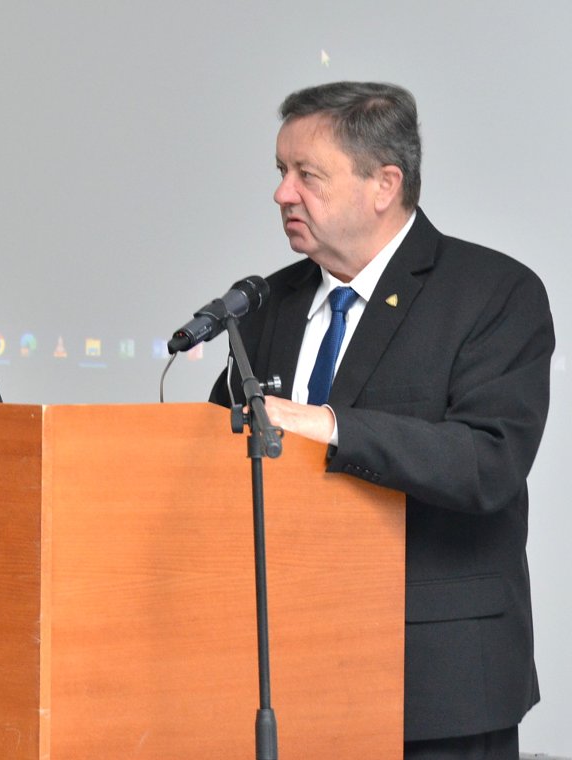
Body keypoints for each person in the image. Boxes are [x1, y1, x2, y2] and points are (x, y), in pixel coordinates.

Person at [210, 82, 552, 759]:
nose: (282, 193)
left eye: (307, 175)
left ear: (384, 184)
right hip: (283, 670)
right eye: (280, 171)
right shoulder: (267, 304)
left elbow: (490, 462)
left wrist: (333, 427)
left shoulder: (493, 293)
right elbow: (220, 458)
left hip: (437, 678)